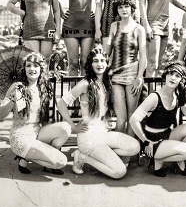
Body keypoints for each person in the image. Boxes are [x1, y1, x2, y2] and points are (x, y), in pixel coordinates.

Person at [57, 47, 141, 179]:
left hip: (103, 134)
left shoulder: (107, 83)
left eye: (102, 61)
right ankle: (83, 157)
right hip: (89, 138)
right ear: (90, 64)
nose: (99, 64)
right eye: (95, 61)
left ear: (107, 63)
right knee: (119, 172)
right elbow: (61, 103)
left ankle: (102, 157)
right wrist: (73, 127)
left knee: (135, 146)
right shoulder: (85, 83)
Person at [0, 51, 70, 175]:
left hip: (37, 134)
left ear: (41, 69)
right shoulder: (17, 87)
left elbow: (49, 115)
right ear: (24, 69)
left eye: (35, 65)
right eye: (28, 65)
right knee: (61, 161)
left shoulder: (44, 87)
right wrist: (12, 100)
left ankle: (33, 157)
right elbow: (0, 114)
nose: (32, 69)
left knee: (65, 128)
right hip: (21, 138)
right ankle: (26, 156)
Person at [129, 60, 186, 177]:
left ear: (181, 81)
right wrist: (146, 142)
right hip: (152, 141)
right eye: (171, 74)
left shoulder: (176, 96)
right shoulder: (154, 97)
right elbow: (133, 119)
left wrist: (185, 93)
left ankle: (168, 158)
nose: (173, 78)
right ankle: (159, 160)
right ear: (165, 75)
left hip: (166, 136)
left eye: (177, 76)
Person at [104, 0, 147, 132]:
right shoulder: (114, 26)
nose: (123, 9)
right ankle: (119, 150)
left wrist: (140, 77)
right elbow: (107, 51)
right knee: (121, 119)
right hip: (116, 75)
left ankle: (131, 153)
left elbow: (143, 55)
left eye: (126, 6)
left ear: (132, 9)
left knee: (131, 116)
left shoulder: (139, 29)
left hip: (132, 74)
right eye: (120, 7)